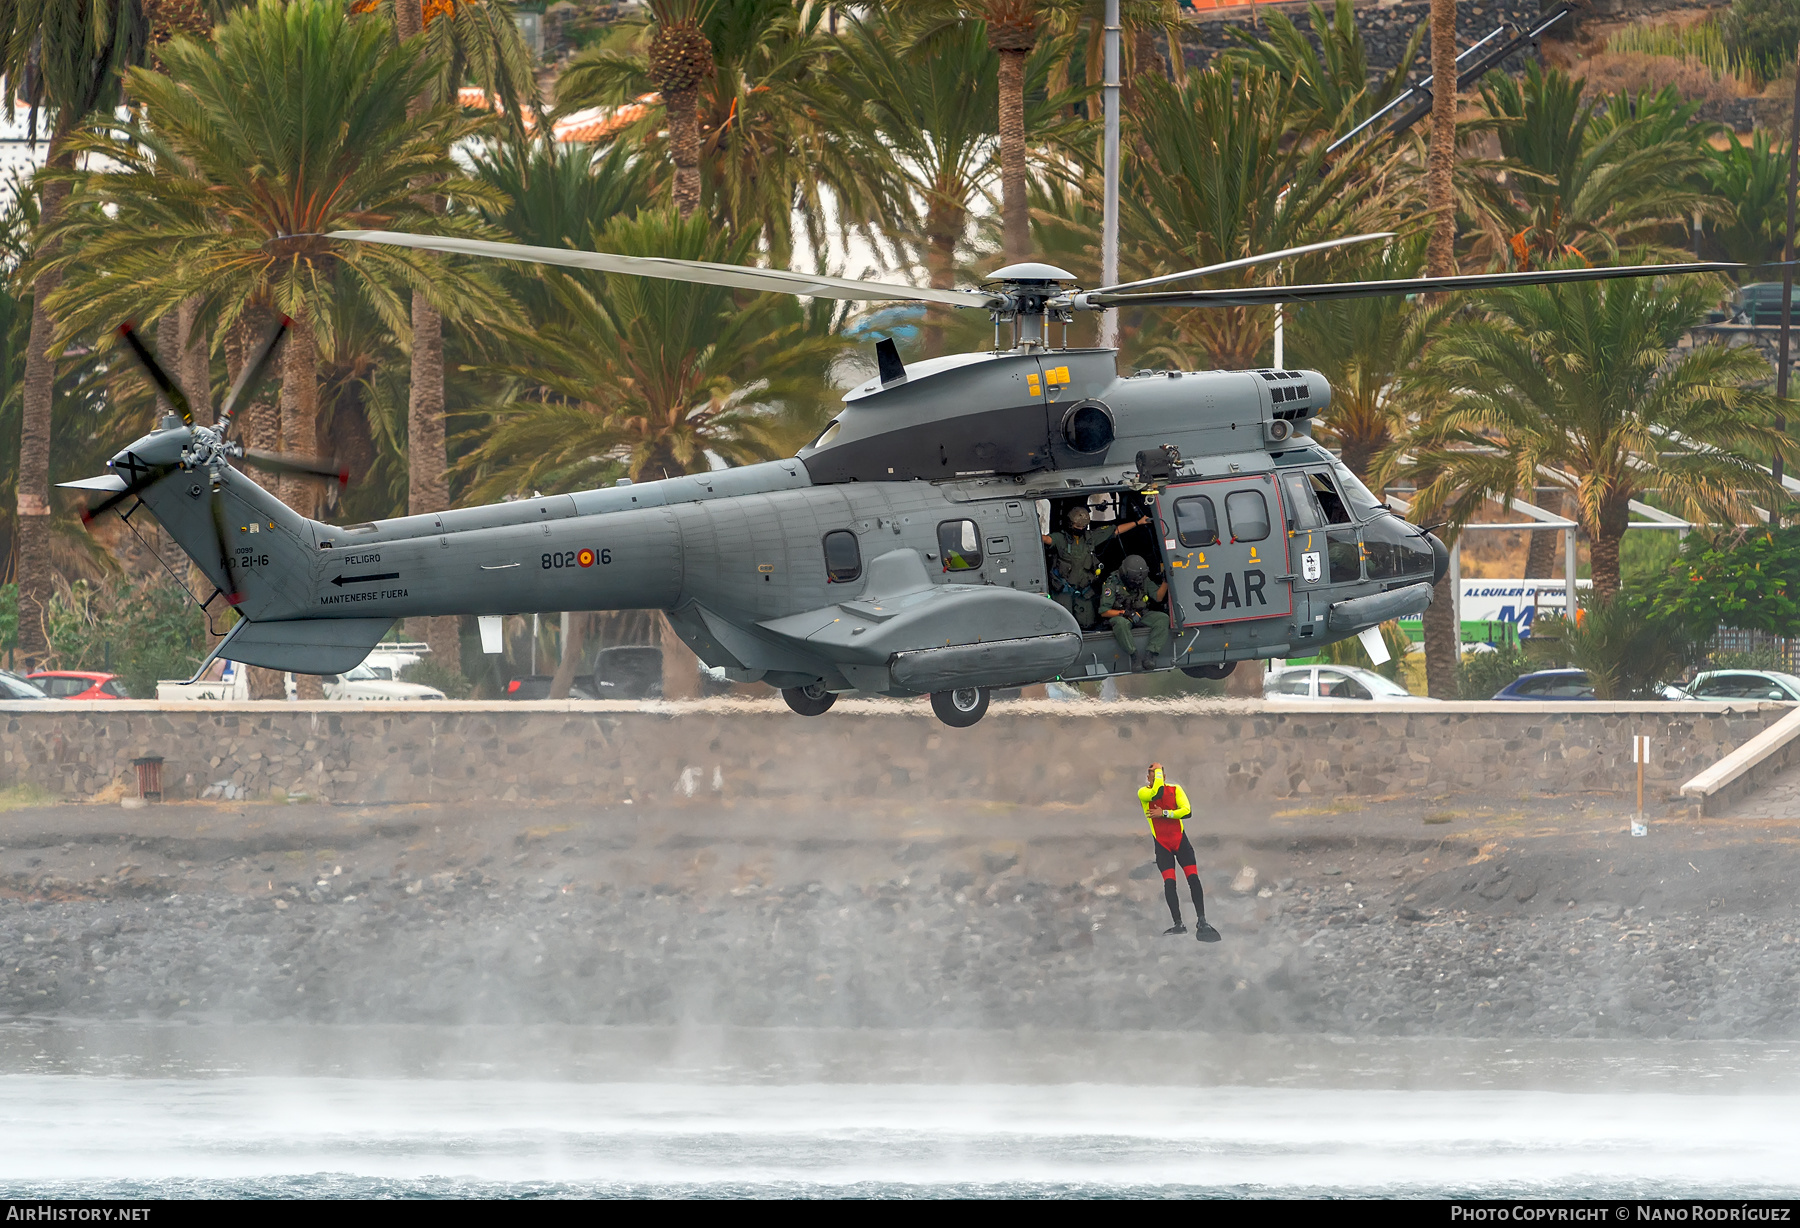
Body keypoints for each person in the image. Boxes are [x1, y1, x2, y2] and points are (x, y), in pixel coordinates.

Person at [1138, 762, 1219, 942]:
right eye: (1151, 773)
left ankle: (1202, 920)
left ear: (1164, 777)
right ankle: (1178, 924)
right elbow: (1156, 793)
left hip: (1180, 841)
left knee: (1193, 878)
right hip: (1162, 844)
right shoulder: (1144, 793)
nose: (1152, 776)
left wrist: (1164, 813)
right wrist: (1158, 773)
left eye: (1156, 773)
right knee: (1169, 882)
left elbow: (1187, 812)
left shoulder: (1175, 789)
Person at [1042, 505, 1148, 628]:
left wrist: (1138, 522)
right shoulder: (1060, 539)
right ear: (1070, 524)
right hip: (1063, 591)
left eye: (1083, 527)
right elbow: (1047, 539)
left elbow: (1116, 530)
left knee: (1087, 623)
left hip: (1084, 591)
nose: (1081, 529)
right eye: (1078, 526)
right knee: (1062, 623)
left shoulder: (1090, 538)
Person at [1099, 554, 1170, 671]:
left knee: (1162, 618)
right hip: (1122, 616)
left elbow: (1158, 597)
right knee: (1120, 623)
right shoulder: (1111, 584)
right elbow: (1104, 611)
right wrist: (1124, 613)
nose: (1137, 583)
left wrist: (1166, 582)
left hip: (1139, 614)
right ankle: (1134, 656)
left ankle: (1151, 655)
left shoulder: (1143, 580)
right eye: (1133, 580)